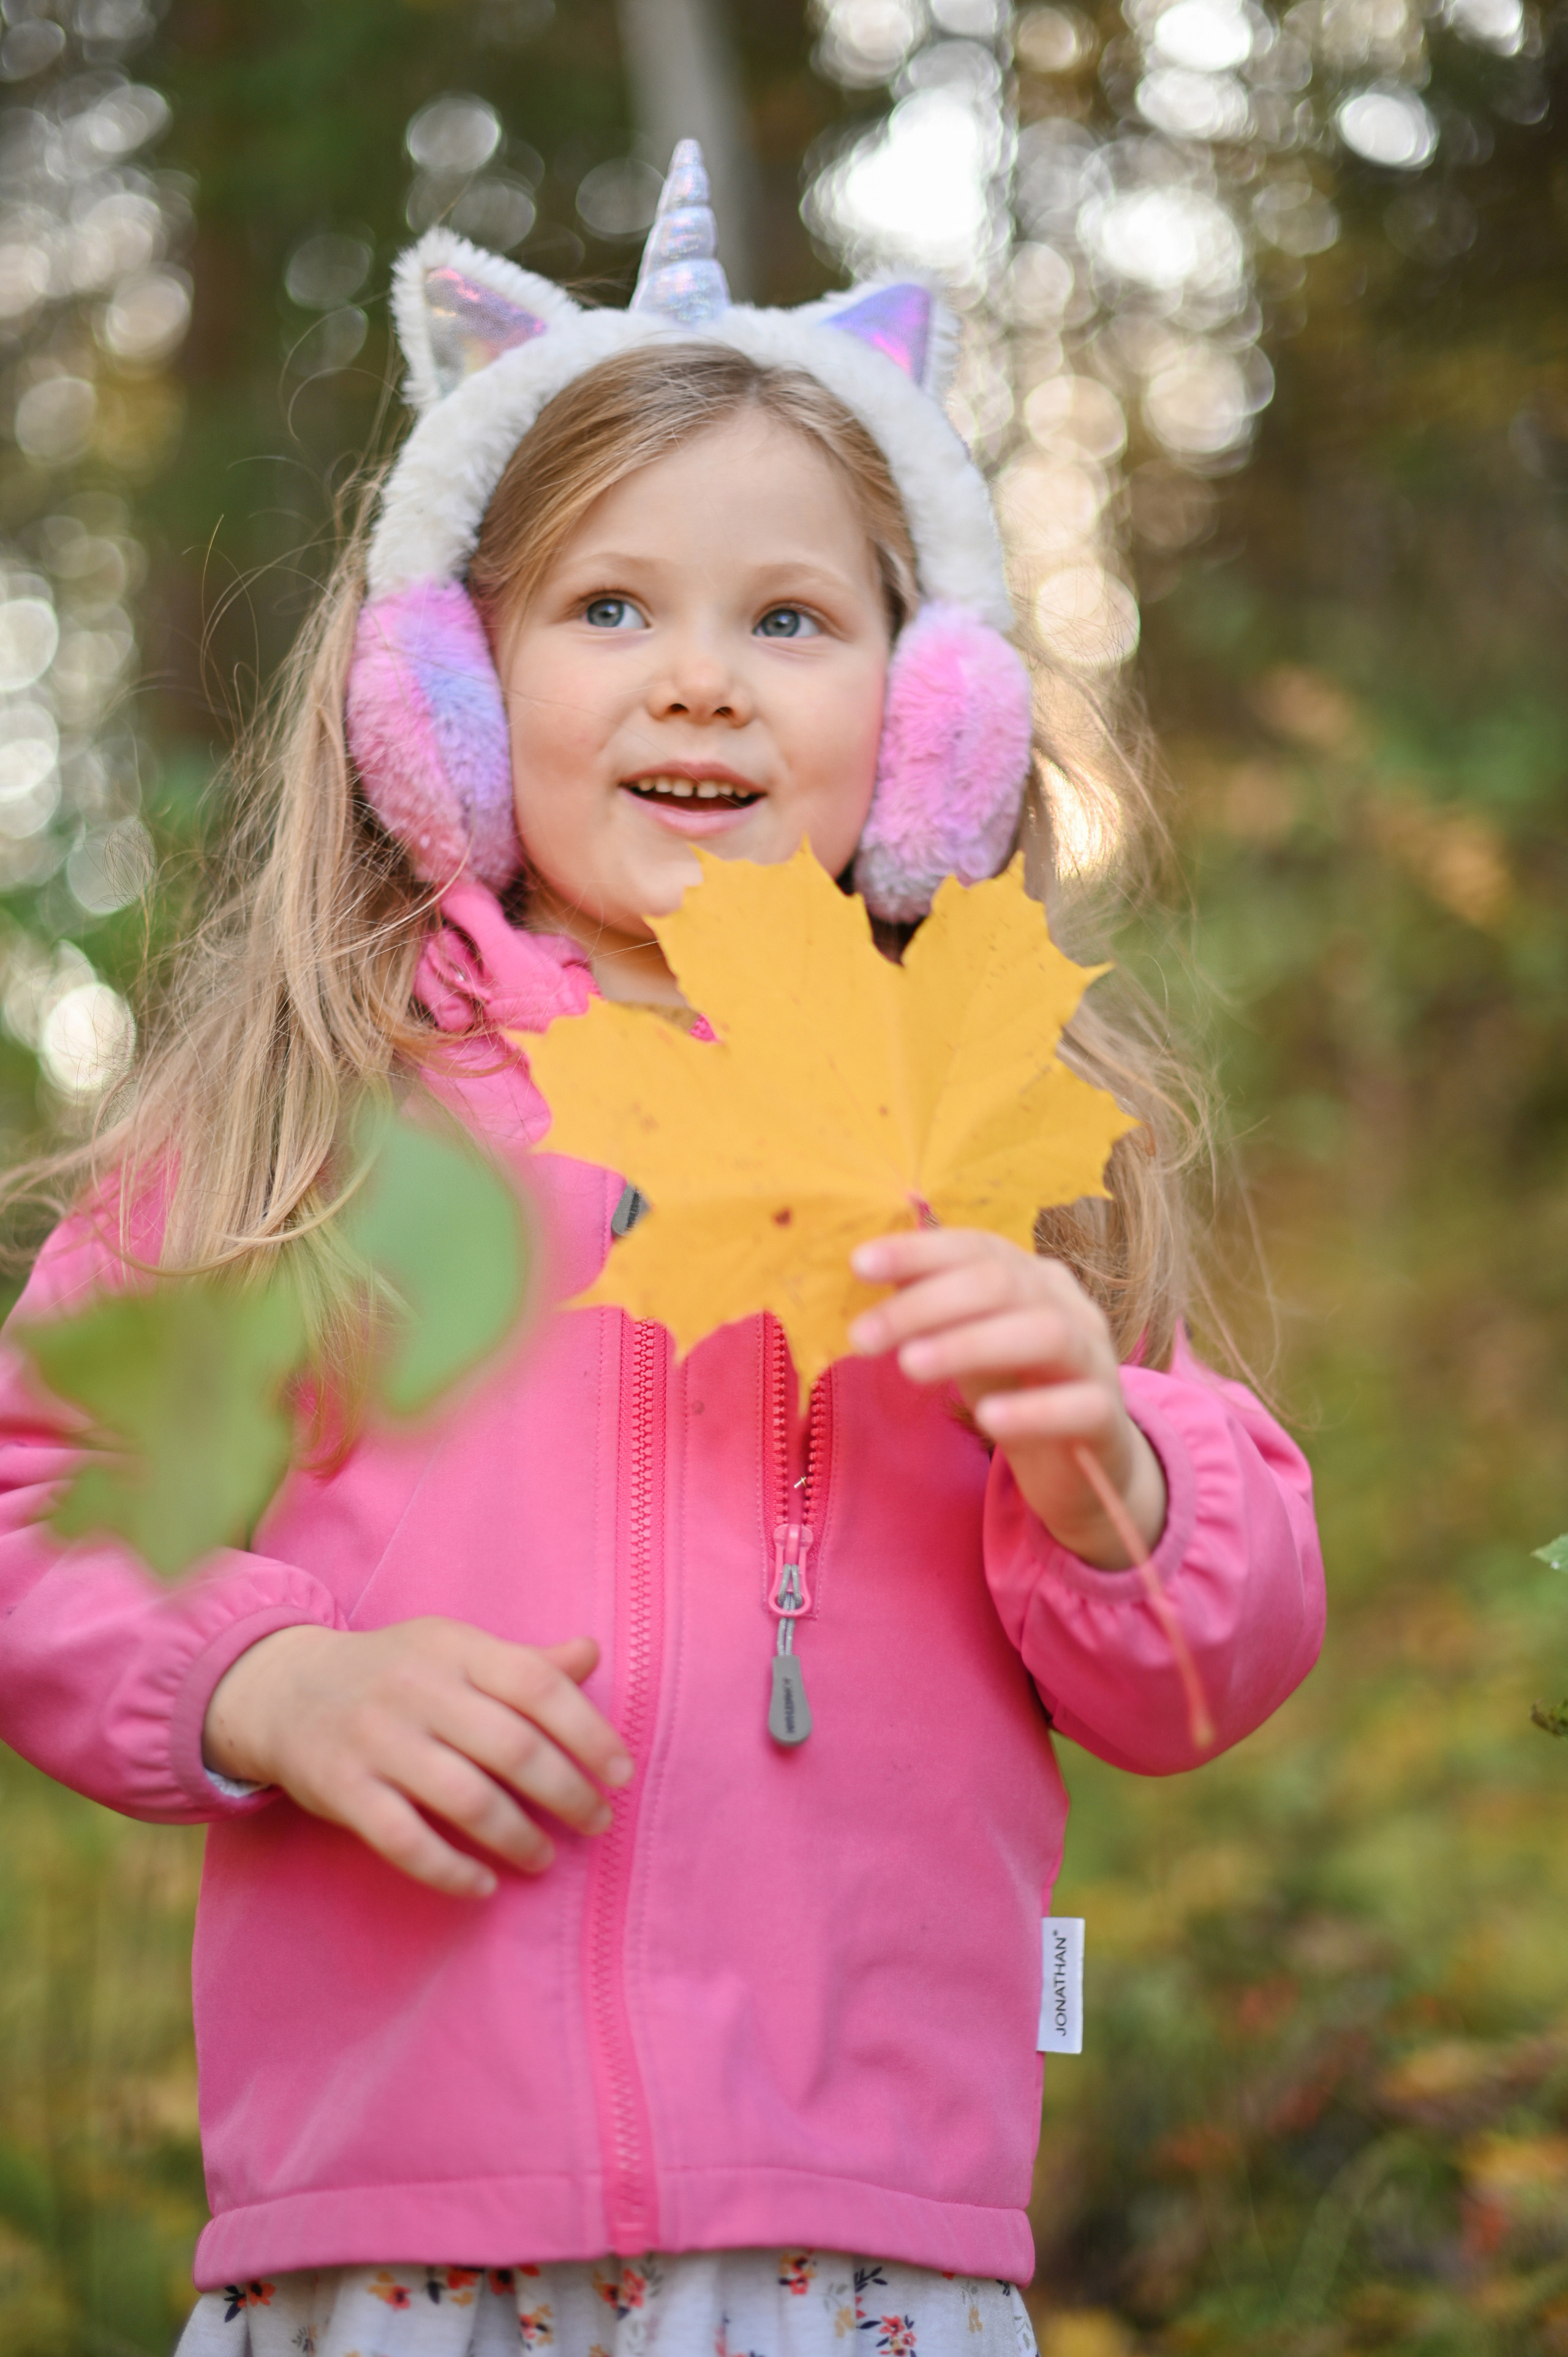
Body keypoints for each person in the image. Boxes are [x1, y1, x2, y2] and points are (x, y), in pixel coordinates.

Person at [0, 145, 1324, 2357]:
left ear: (927, 715)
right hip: (391, 2220)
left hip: (862, 2232)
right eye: (609, 610)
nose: (698, 683)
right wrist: (263, 1678)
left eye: (788, 619)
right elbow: (42, 1498)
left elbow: (1207, 1662)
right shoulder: (312, 1128)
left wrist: (1114, 1470)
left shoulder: (992, 1127)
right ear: (447, 684)